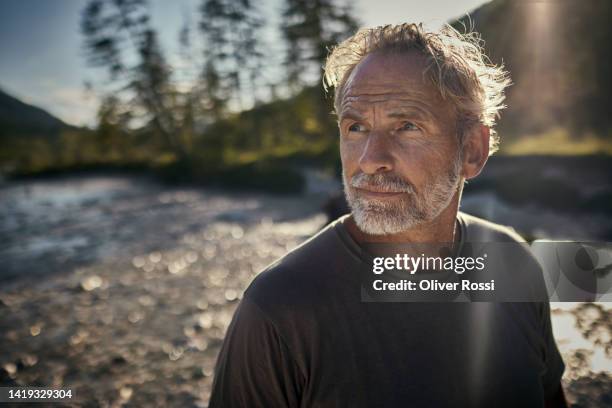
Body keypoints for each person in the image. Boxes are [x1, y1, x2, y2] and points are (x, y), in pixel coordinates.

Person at [208, 23, 566, 407]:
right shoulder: (277, 308)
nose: (370, 159)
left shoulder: (514, 263)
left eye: (407, 126)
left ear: (473, 150)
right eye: (356, 127)